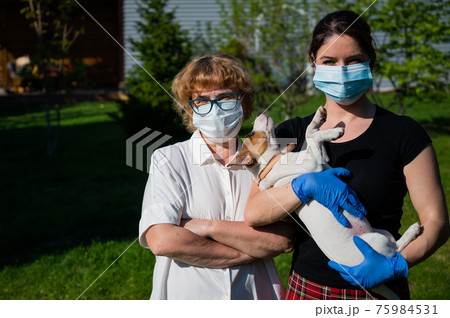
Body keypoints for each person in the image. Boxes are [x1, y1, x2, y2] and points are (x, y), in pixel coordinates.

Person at [244, 10, 449, 300]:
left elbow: (437, 221)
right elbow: (254, 212)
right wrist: (302, 187)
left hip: (381, 289)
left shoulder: (404, 133)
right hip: (309, 289)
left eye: (353, 61)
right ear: (314, 63)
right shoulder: (291, 133)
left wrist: (398, 264)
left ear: (370, 61)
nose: (341, 70)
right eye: (329, 61)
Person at [138, 53, 296, 300]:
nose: (214, 107)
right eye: (201, 101)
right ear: (190, 109)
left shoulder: (265, 159)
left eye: (225, 97)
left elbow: (282, 240)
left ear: (243, 102)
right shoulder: (169, 159)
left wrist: (204, 226)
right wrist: (250, 249)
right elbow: (161, 240)